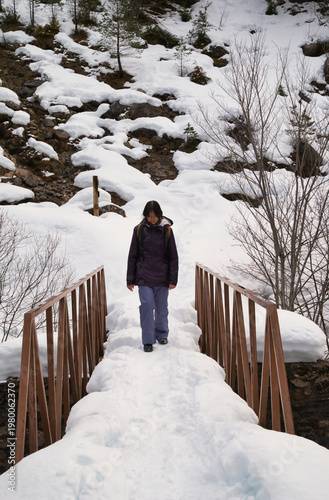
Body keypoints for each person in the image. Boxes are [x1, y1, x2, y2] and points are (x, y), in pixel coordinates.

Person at [126, 200, 179, 352]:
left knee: (162, 308)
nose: (152, 219)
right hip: (144, 276)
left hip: (162, 277)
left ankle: (162, 334)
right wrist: (130, 279)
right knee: (147, 306)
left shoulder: (167, 231)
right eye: (149, 216)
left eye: (154, 216)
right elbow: (132, 256)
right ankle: (148, 340)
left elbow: (173, 257)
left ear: (159, 215)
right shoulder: (139, 230)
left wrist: (172, 279)